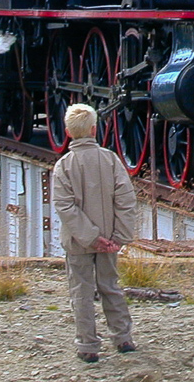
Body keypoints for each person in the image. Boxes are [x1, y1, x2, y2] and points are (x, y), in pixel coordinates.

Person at [52, 104, 137, 363]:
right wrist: (118, 236)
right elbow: (126, 199)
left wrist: (90, 237)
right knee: (111, 287)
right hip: (110, 239)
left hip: (78, 241)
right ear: (93, 129)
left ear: (68, 131)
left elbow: (65, 207)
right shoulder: (110, 159)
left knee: (81, 292)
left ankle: (87, 346)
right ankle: (123, 338)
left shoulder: (63, 166)